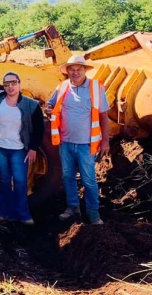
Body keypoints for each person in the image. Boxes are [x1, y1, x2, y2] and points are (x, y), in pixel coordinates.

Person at [45, 55, 110, 225]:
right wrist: (48, 110)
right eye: (71, 69)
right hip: (65, 143)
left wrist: (105, 141)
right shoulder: (62, 87)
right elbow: (50, 106)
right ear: (67, 72)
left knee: (89, 179)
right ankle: (72, 207)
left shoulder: (96, 88)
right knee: (67, 176)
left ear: (85, 70)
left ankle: (93, 212)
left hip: (87, 144)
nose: (75, 72)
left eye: (79, 69)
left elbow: (104, 117)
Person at [0, 72, 45, 225]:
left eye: (13, 83)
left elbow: (39, 127)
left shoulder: (31, 104)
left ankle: (23, 214)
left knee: (20, 181)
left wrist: (33, 148)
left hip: (19, 149)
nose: (10, 86)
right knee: (4, 180)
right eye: (6, 84)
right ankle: (3, 211)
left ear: (19, 83)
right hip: (0, 148)